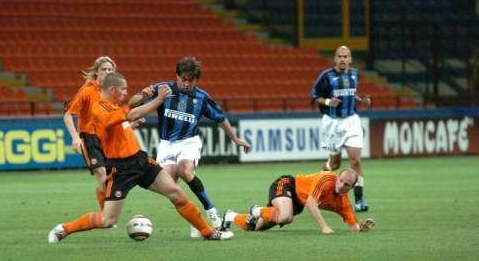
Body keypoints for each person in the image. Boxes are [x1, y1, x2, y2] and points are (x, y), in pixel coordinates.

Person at [48, 72, 234, 243]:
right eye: (123, 89)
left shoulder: (112, 104)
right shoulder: (99, 109)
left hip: (140, 160)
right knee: (107, 219)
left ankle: (208, 232)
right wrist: (158, 100)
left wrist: (134, 119)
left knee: (177, 195)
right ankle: (64, 229)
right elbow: (131, 113)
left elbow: (122, 124)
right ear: (112, 89)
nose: (126, 92)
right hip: (120, 169)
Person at [128, 57, 251, 237]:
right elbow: (132, 103)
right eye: (183, 79)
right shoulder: (163, 89)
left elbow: (220, 117)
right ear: (176, 76)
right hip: (166, 144)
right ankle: (197, 223)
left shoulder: (201, 96)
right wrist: (143, 96)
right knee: (169, 187)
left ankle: (212, 213)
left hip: (189, 141)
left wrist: (235, 138)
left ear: (196, 80)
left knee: (186, 171)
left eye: (190, 80)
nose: (186, 83)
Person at [310, 46, 371, 212]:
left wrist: (361, 100)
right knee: (335, 164)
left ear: (350, 59)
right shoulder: (326, 76)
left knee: (355, 159)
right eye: (340, 56)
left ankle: (359, 201)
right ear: (335, 59)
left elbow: (350, 94)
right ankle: (316, 186)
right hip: (332, 124)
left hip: (351, 121)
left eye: (346, 56)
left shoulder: (354, 74)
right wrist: (329, 102)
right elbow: (314, 96)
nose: (343, 59)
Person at [220, 169, 375, 234]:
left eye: (346, 184)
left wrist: (362, 227)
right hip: (287, 185)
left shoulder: (344, 203)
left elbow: (354, 227)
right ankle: (256, 210)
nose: (341, 185)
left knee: (253, 227)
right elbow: (310, 203)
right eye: (340, 180)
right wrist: (324, 227)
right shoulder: (327, 178)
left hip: (297, 204)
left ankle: (230, 216)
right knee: (286, 217)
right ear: (337, 177)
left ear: (352, 187)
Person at [63, 56, 116, 210]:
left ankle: (109, 212)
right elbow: (68, 114)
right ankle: (105, 214)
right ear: (96, 72)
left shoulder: (112, 91)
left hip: (107, 138)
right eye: (104, 69)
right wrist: (75, 138)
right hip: (89, 138)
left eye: (110, 69)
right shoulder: (87, 91)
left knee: (110, 177)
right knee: (101, 173)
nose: (107, 72)